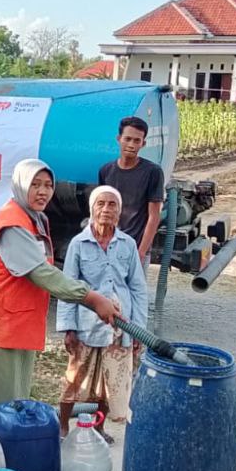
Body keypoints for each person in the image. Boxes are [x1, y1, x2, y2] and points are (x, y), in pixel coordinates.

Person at [0, 159, 120, 432]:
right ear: (20, 185)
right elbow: (43, 274)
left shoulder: (32, 217)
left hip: (10, 325)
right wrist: (92, 298)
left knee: (10, 404)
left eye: (48, 185)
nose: (43, 191)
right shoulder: (13, 224)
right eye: (35, 185)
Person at [56, 186, 148, 438]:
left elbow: (138, 288)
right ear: (92, 209)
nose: (106, 210)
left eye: (112, 205)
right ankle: (63, 425)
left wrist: (139, 329)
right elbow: (67, 287)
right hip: (87, 324)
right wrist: (68, 328)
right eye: (101, 204)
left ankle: (99, 427)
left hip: (121, 325)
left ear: (119, 212)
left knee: (111, 381)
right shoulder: (78, 244)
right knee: (75, 378)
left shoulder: (127, 245)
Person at [97, 116, 165, 270]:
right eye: (127, 139)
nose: (131, 145)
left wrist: (140, 253)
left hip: (134, 249)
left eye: (137, 141)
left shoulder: (152, 172)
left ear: (143, 143)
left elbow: (154, 216)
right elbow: (100, 212)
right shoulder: (106, 171)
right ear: (119, 139)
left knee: (134, 294)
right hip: (109, 247)